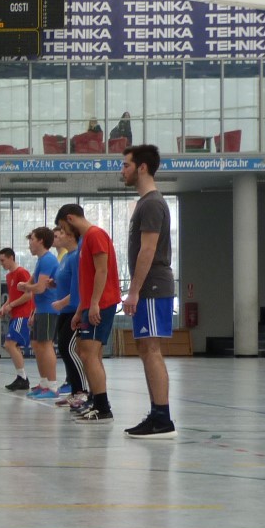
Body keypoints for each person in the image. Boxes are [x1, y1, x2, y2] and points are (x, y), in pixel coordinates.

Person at [122, 144, 177, 438]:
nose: (123, 171)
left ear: (142, 167)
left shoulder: (152, 204)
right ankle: (157, 413)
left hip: (154, 286)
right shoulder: (145, 203)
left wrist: (134, 291)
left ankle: (163, 418)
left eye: (126, 165)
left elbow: (148, 250)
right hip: (148, 287)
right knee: (145, 348)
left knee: (152, 349)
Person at [55, 202, 121, 423]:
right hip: (90, 304)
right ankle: (95, 400)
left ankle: (103, 407)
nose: (64, 232)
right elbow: (87, 279)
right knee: (87, 352)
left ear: (70, 219)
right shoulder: (84, 241)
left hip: (101, 303)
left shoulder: (95, 235)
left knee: (89, 353)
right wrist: (80, 309)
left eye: (63, 227)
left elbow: (102, 271)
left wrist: (94, 304)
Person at [49, 225, 88, 411]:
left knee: (69, 348)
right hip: (64, 312)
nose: (58, 237)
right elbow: (65, 282)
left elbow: (80, 288)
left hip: (74, 310)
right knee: (64, 349)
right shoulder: (65, 258)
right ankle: (74, 391)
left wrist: (63, 302)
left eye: (62, 234)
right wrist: (54, 284)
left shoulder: (76, 258)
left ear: (71, 237)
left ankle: (82, 391)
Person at [19, 227, 60, 400]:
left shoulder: (48, 260)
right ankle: (44, 383)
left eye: (32, 239)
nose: (29, 243)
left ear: (41, 241)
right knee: (36, 344)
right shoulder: (41, 261)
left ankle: (52, 385)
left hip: (49, 309)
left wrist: (26, 286)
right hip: (41, 309)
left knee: (45, 344)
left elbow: (40, 288)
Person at [0, 247, 33, 392]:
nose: (1, 264)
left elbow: (28, 295)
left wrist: (11, 305)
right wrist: (4, 306)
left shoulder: (21, 272)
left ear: (11, 258)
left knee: (9, 344)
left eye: (3, 260)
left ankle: (23, 378)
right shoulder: (9, 276)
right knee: (13, 346)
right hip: (15, 315)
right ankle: (21, 377)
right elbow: (12, 296)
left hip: (22, 314)